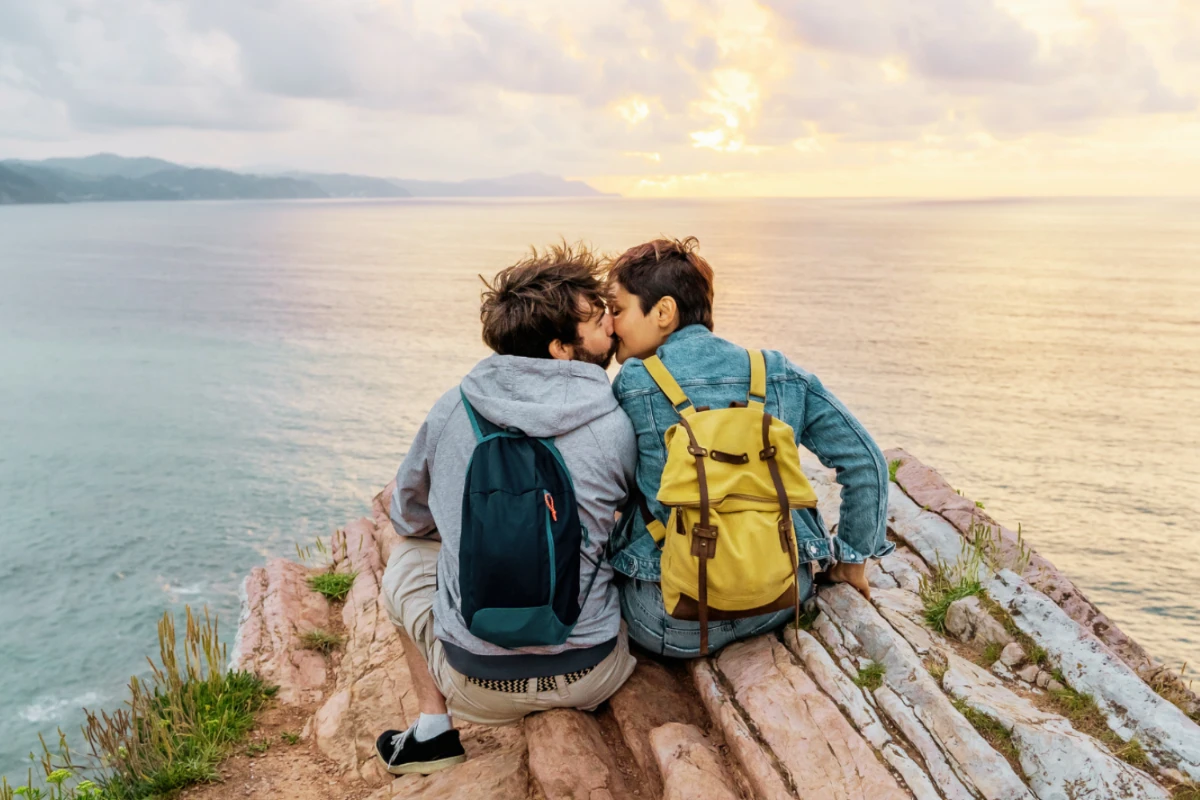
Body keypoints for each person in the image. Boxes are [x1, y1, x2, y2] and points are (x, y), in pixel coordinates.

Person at [376, 243, 638, 775]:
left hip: (477, 686)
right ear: (563, 349)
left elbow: (408, 517)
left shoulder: (452, 409)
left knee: (405, 554)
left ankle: (432, 731)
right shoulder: (617, 425)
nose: (611, 325)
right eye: (596, 320)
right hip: (594, 674)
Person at [606, 236, 893, 658]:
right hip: (780, 598)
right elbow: (867, 463)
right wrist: (851, 562)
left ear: (664, 312)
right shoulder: (777, 373)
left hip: (669, 620)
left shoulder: (633, 384)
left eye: (617, 310)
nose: (611, 326)